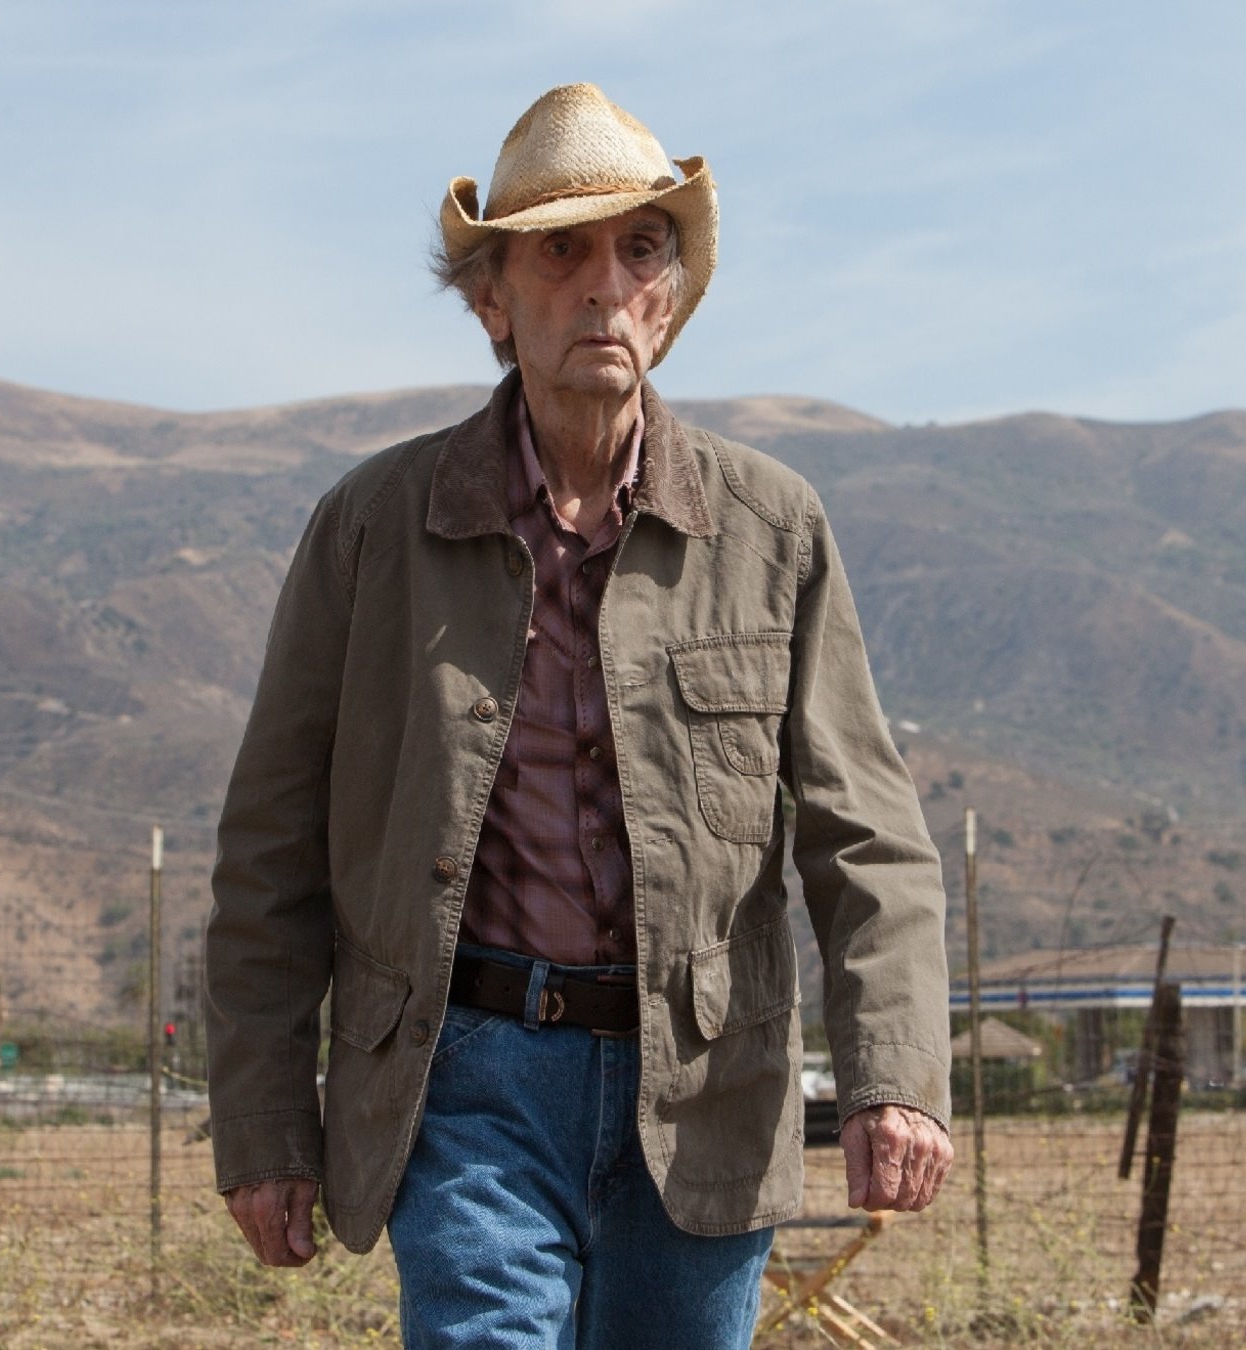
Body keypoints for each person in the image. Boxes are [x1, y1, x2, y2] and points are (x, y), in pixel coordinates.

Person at [206, 83, 953, 1349]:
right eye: (562, 249)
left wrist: (896, 1079)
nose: (604, 283)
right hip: (470, 1082)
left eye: (638, 247)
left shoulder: (773, 530)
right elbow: (271, 847)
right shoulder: (373, 530)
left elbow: (867, 834)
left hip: (710, 1083)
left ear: (672, 296)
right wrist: (268, 1121)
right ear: (493, 298)